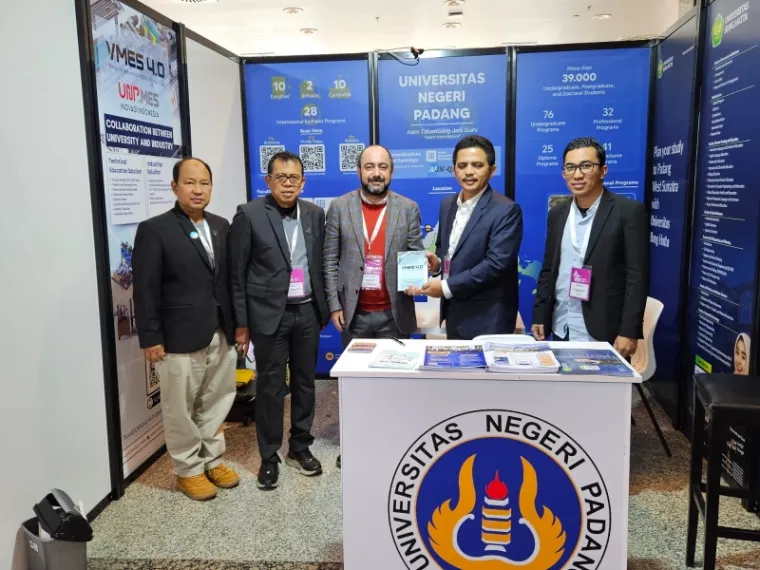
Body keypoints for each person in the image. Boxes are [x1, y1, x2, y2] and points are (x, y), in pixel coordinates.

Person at [133, 157, 239, 501]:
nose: (198, 190)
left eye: (204, 183)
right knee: (180, 407)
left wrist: (237, 326)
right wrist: (151, 337)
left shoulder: (221, 226)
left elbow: (227, 281)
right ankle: (188, 470)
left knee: (217, 399)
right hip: (177, 336)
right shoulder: (155, 229)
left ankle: (212, 460)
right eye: (190, 183)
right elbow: (145, 289)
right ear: (174, 186)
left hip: (219, 330)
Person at [229, 151, 330, 491]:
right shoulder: (249, 214)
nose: (288, 183)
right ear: (268, 181)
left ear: (303, 182)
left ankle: (299, 447)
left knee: (305, 383)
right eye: (281, 177)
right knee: (271, 387)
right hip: (268, 315)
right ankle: (269, 456)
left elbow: (319, 263)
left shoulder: (314, 214)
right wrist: (241, 324)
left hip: (307, 312)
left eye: (294, 178)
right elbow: (237, 274)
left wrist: (324, 308)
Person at [323, 144, 424, 469]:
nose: (376, 173)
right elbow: (330, 260)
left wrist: (418, 274)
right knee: (355, 386)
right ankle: (355, 444)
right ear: (359, 172)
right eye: (369, 167)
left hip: (394, 313)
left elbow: (415, 252)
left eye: (382, 167)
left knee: (394, 385)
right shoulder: (339, 207)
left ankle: (393, 443)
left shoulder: (408, 208)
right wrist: (334, 304)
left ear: (391, 171)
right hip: (354, 314)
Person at [531, 137, 649, 357]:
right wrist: (540, 314)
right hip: (562, 323)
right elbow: (548, 268)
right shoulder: (557, 213)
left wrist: (628, 331)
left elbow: (637, 277)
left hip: (605, 328)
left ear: (603, 170)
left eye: (586, 166)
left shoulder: (628, 212)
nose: (577, 175)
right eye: (570, 167)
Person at [414, 135, 523, 340]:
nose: (469, 172)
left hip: (488, 319)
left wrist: (445, 287)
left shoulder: (506, 210)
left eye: (477, 165)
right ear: (454, 170)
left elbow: (496, 265)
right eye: (462, 165)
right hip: (454, 313)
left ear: (492, 170)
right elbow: (447, 250)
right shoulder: (447, 205)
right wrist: (437, 265)